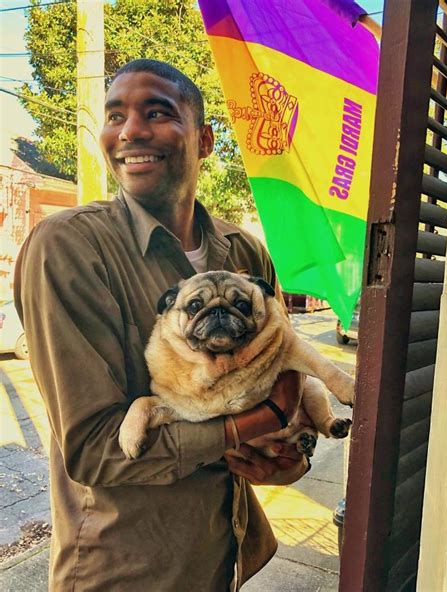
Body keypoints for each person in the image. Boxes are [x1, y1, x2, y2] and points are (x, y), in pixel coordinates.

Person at [14, 59, 309, 592]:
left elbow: (283, 374)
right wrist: (250, 424)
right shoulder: (70, 248)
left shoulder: (243, 252)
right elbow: (95, 448)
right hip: (127, 570)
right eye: (114, 115)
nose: (129, 131)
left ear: (204, 140)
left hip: (226, 552)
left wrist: (287, 455)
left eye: (156, 112)